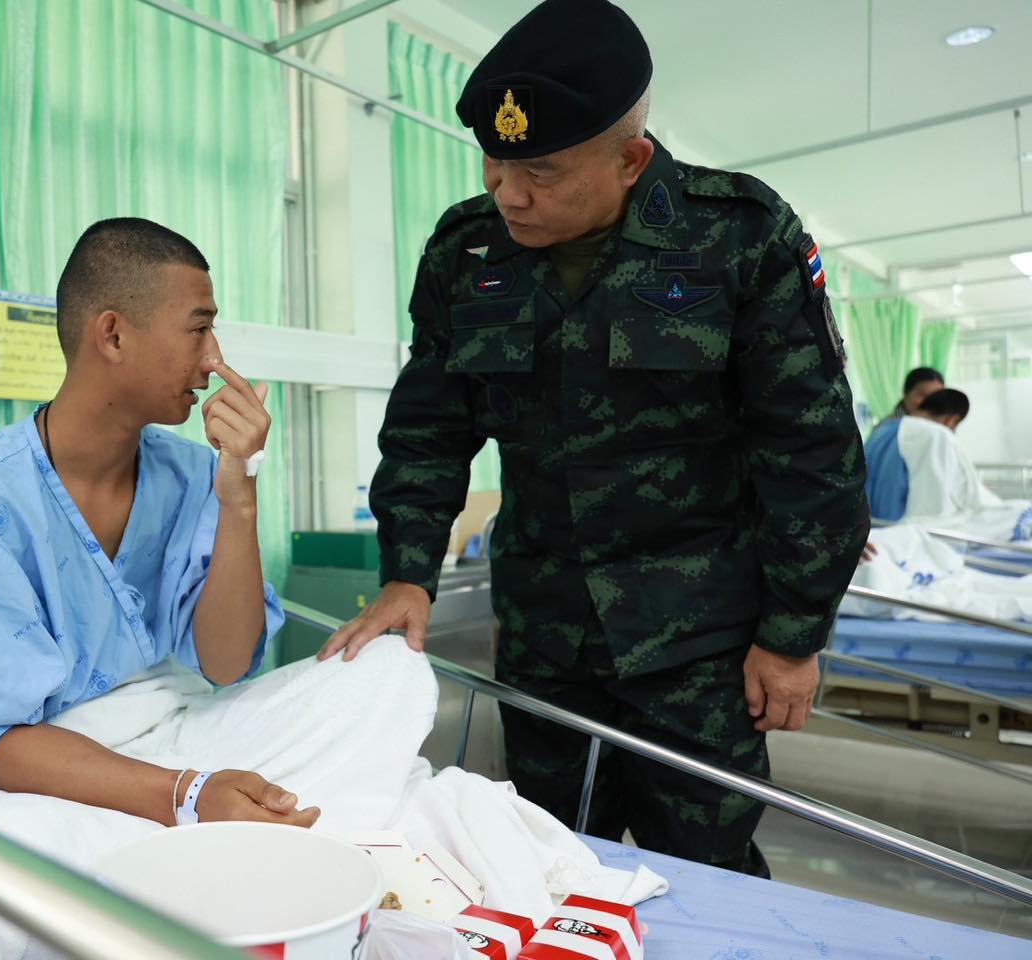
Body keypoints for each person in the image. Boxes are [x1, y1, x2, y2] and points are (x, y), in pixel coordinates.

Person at [321, 0, 868, 876]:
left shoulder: (737, 237)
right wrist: (408, 571)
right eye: (495, 162)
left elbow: (810, 453)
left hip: (699, 646)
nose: (509, 193)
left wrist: (794, 634)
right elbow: (428, 428)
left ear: (630, 158)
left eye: (541, 170)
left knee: (708, 871)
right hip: (545, 639)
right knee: (542, 859)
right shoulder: (468, 252)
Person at [0, 217, 320, 828]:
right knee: (38, 864)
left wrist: (240, 497)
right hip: (35, 768)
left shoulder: (196, 476)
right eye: (199, 329)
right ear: (112, 335)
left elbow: (227, 665)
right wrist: (186, 795)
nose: (215, 359)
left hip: (167, 730)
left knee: (386, 672)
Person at [865, 387, 969, 521]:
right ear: (951, 420)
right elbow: (939, 503)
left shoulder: (882, 429)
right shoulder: (935, 435)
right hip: (901, 525)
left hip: (870, 521)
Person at [877, 367, 944, 426]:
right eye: (923, 395)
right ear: (906, 393)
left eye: (936, 396)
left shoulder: (939, 424)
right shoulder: (889, 425)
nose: (930, 401)